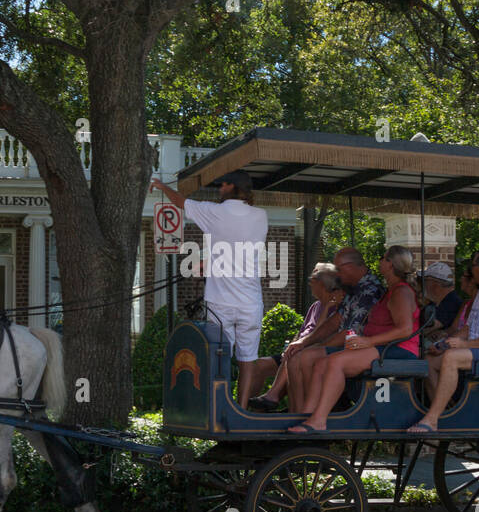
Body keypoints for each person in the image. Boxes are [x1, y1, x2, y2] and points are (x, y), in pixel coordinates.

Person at [150, 170, 267, 406]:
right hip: (250, 302)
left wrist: (162, 187)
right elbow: (237, 248)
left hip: (220, 301)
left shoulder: (216, 212)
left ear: (232, 187)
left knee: (218, 356)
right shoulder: (260, 216)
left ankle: (218, 406)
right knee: (248, 359)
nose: (219, 190)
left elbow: (182, 202)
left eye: (222, 185)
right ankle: (241, 408)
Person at [288, 246, 419, 433]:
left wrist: (369, 341)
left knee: (335, 362)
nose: (379, 261)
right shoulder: (390, 291)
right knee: (321, 363)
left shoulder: (401, 292)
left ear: (390, 264)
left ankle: (318, 420)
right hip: (382, 347)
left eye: (383, 258)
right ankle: (308, 416)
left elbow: (405, 329)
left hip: (397, 350)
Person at [409, 249, 479, 433]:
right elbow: (468, 329)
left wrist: (464, 345)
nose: (470, 270)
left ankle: (431, 419)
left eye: (472, 265)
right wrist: (444, 343)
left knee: (452, 358)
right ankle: (447, 411)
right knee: (429, 362)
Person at [284, 247, 384, 412]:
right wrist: (304, 341)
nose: (336, 274)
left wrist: (320, 347)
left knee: (307, 357)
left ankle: (313, 413)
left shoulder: (370, 290)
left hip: (361, 348)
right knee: (295, 355)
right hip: (347, 344)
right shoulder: (353, 288)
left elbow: (351, 332)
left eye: (339, 269)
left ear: (351, 266)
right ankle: (297, 413)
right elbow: (335, 321)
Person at [247, 264, 345, 412]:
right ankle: (250, 413)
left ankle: (275, 398)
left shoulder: (336, 307)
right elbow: (301, 333)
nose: (310, 284)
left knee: (294, 355)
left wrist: (325, 310)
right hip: (297, 348)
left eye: (313, 281)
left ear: (322, 285)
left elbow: (319, 335)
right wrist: (292, 344)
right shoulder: (315, 306)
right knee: (260, 365)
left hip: (311, 352)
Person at [417, 261, 462, 339]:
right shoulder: (440, 301)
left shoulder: (451, 302)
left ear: (435, 285)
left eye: (425, 281)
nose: (423, 285)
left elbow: (427, 329)